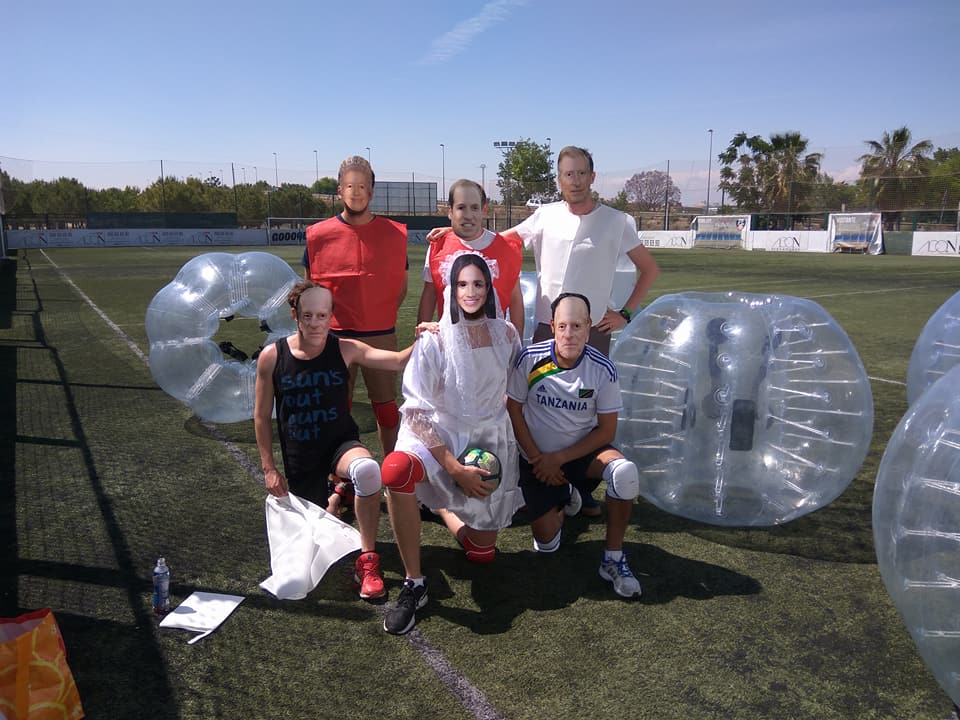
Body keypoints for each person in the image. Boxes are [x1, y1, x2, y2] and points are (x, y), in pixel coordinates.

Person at [381, 254, 522, 635]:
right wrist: (453, 467)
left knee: (481, 553)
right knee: (394, 470)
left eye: (478, 284)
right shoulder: (434, 338)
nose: (470, 292)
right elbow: (416, 412)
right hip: (438, 433)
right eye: (462, 284)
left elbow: (514, 388)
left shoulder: (507, 334)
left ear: (489, 288)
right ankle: (414, 583)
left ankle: (440, 508)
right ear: (450, 288)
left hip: (485, 439)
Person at [254, 281, 417, 601]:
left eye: (322, 316)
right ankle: (337, 492)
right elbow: (261, 416)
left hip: (340, 443)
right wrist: (269, 468)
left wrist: (427, 338)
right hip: (302, 456)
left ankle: (368, 561)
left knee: (369, 470)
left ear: (331, 318)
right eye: (308, 316)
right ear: (295, 316)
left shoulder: (345, 348)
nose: (315, 323)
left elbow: (397, 361)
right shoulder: (273, 357)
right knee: (309, 555)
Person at [506, 292, 642, 599]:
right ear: (552, 326)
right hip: (536, 460)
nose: (570, 334)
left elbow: (607, 430)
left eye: (577, 326)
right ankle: (567, 494)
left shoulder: (602, 368)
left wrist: (561, 458)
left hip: (581, 455)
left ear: (589, 327)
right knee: (546, 544)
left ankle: (613, 559)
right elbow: (513, 409)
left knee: (625, 473)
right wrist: (539, 458)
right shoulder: (529, 359)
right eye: (564, 326)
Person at [302, 155, 408, 458]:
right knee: (336, 409)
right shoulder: (319, 236)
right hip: (333, 338)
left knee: (387, 410)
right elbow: (309, 290)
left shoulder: (392, 234)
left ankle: (391, 473)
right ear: (339, 190)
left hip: (380, 333)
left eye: (363, 186)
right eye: (350, 185)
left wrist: (377, 313)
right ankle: (339, 473)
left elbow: (399, 288)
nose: (356, 192)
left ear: (372, 192)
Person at [417, 179, 524, 337]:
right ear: (450, 211)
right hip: (452, 348)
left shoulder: (507, 249)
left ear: (484, 210)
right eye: (461, 207)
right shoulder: (437, 246)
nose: (468, 215)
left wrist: (518, 341)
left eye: (474, 208)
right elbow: (429, 294)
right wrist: (420, 337)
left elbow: (515, 299)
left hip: (495, 348)